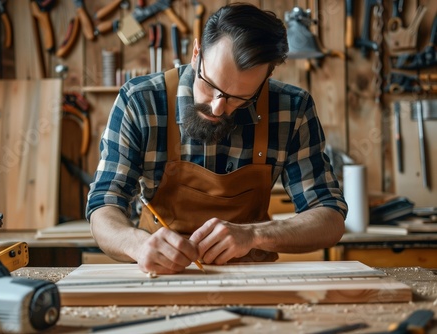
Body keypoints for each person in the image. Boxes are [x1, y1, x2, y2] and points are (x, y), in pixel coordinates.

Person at [86, 3, 348, 274]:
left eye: (239, 97)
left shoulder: (292, 109)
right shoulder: (141, 102)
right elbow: (103, 204)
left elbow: (329, 216)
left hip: (252, 277)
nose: (217, 108)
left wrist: (255, 235)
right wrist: (138, 245)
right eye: (210, 86)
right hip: (163, 276)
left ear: (266, 78)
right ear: (196, 53)